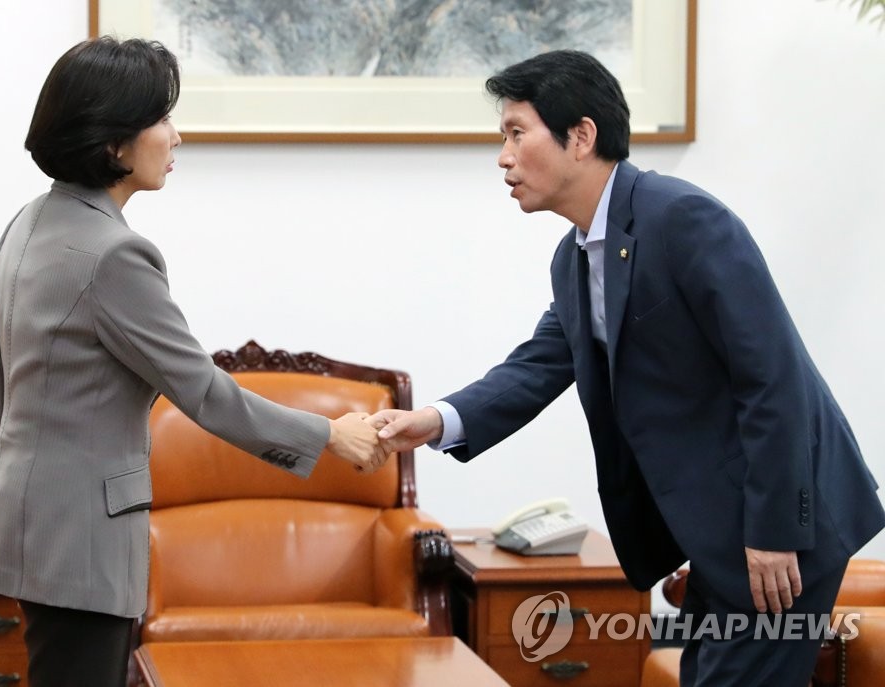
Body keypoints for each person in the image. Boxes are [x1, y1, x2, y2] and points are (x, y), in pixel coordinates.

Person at [370, 49, 884, 686]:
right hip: (721, 529)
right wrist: (433, 420)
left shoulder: (683, 219)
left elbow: (772, 378)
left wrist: (776, 532)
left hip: (781, 523)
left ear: (581, 136)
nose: (503, 157)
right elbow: (536, 366)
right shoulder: (574, 258)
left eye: (516, 133)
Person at [0, 36, 384, 687]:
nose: (176, 135)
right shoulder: (114, 255)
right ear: (115, 143)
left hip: (23, 516)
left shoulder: (28, 222)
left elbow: (2, 377)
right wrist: (332, 434)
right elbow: (204, 391)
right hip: (81, 537)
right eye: (162, 118)